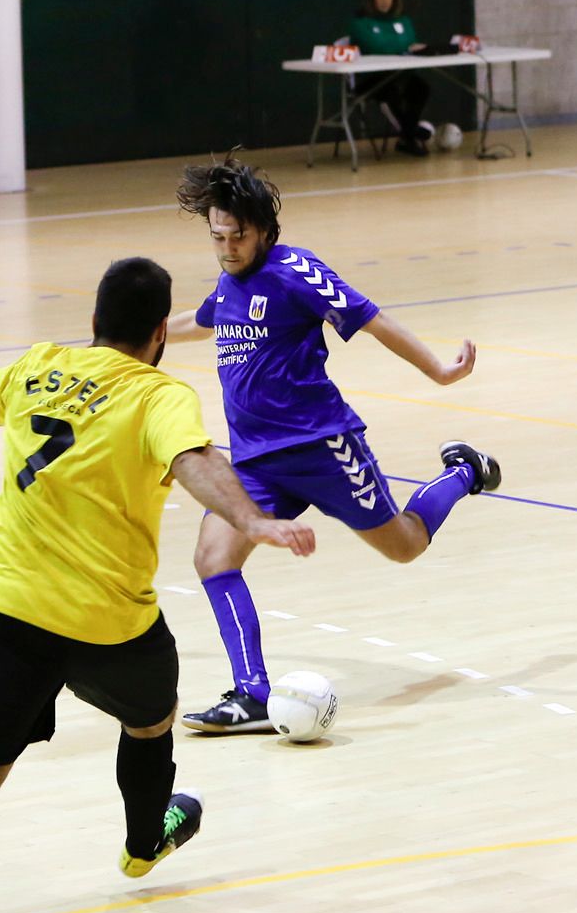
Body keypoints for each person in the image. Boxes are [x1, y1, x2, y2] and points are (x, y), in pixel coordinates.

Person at [0, 258, 317, 913]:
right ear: (161, 331)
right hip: (112, 620)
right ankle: (144, 843)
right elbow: (195, 460)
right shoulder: (160, 395)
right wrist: (251, 519)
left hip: (13, 606)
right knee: (152, 719)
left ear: (94, 321)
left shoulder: (37, 365)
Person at [166, 156, 501, 734]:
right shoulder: (227, 284)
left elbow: (373, 320)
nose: (227, 248)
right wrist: (122, 339)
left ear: (263, 229)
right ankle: (251, 694)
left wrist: (439, 372)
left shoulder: (297, 270)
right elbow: (200, 321)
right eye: (217, 237)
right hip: (255, 461)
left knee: (405, 546)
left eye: (237, 236)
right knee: (213, 559)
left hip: (323, 447)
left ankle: (463, 472)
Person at [347, 0, 433, 157]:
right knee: (390, 92)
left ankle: (407, 135)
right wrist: (402, 46)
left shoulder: (403, 21)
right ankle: (411, 134)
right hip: (372, 79)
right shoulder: (360, 23)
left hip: (400, 74)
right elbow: (377, 46)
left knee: (420, 88)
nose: (385, 0)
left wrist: (404, 46)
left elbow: (411, 43)